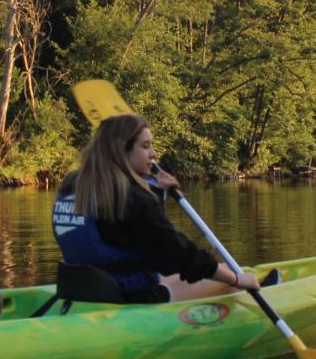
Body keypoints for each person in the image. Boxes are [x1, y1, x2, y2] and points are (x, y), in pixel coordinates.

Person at [52, 112, 262, 303]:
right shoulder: (134, 198)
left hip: (83, 289)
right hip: (131, 297)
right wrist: (236, 280)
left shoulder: (73, 186)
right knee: (226, 275)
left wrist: (158, 194)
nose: (153, 154)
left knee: (204, 272)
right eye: (145, 146)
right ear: (122, 151)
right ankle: (252, 289)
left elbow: (130, 230)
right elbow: (179, 254)